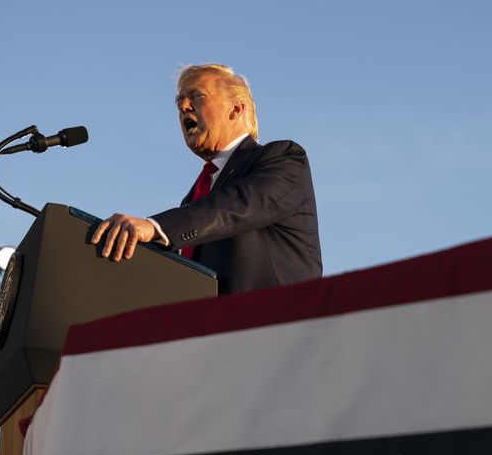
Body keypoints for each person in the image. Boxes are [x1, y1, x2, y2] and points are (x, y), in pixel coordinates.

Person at [90, 64, 322, 294]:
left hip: (275, 325)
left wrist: (154, 227)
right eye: (178, 101)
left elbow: (236, 205)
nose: (183, 106)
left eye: (197, 95)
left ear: (236, 109)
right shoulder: (194, 198)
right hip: (212, 327)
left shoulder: (283, 158)